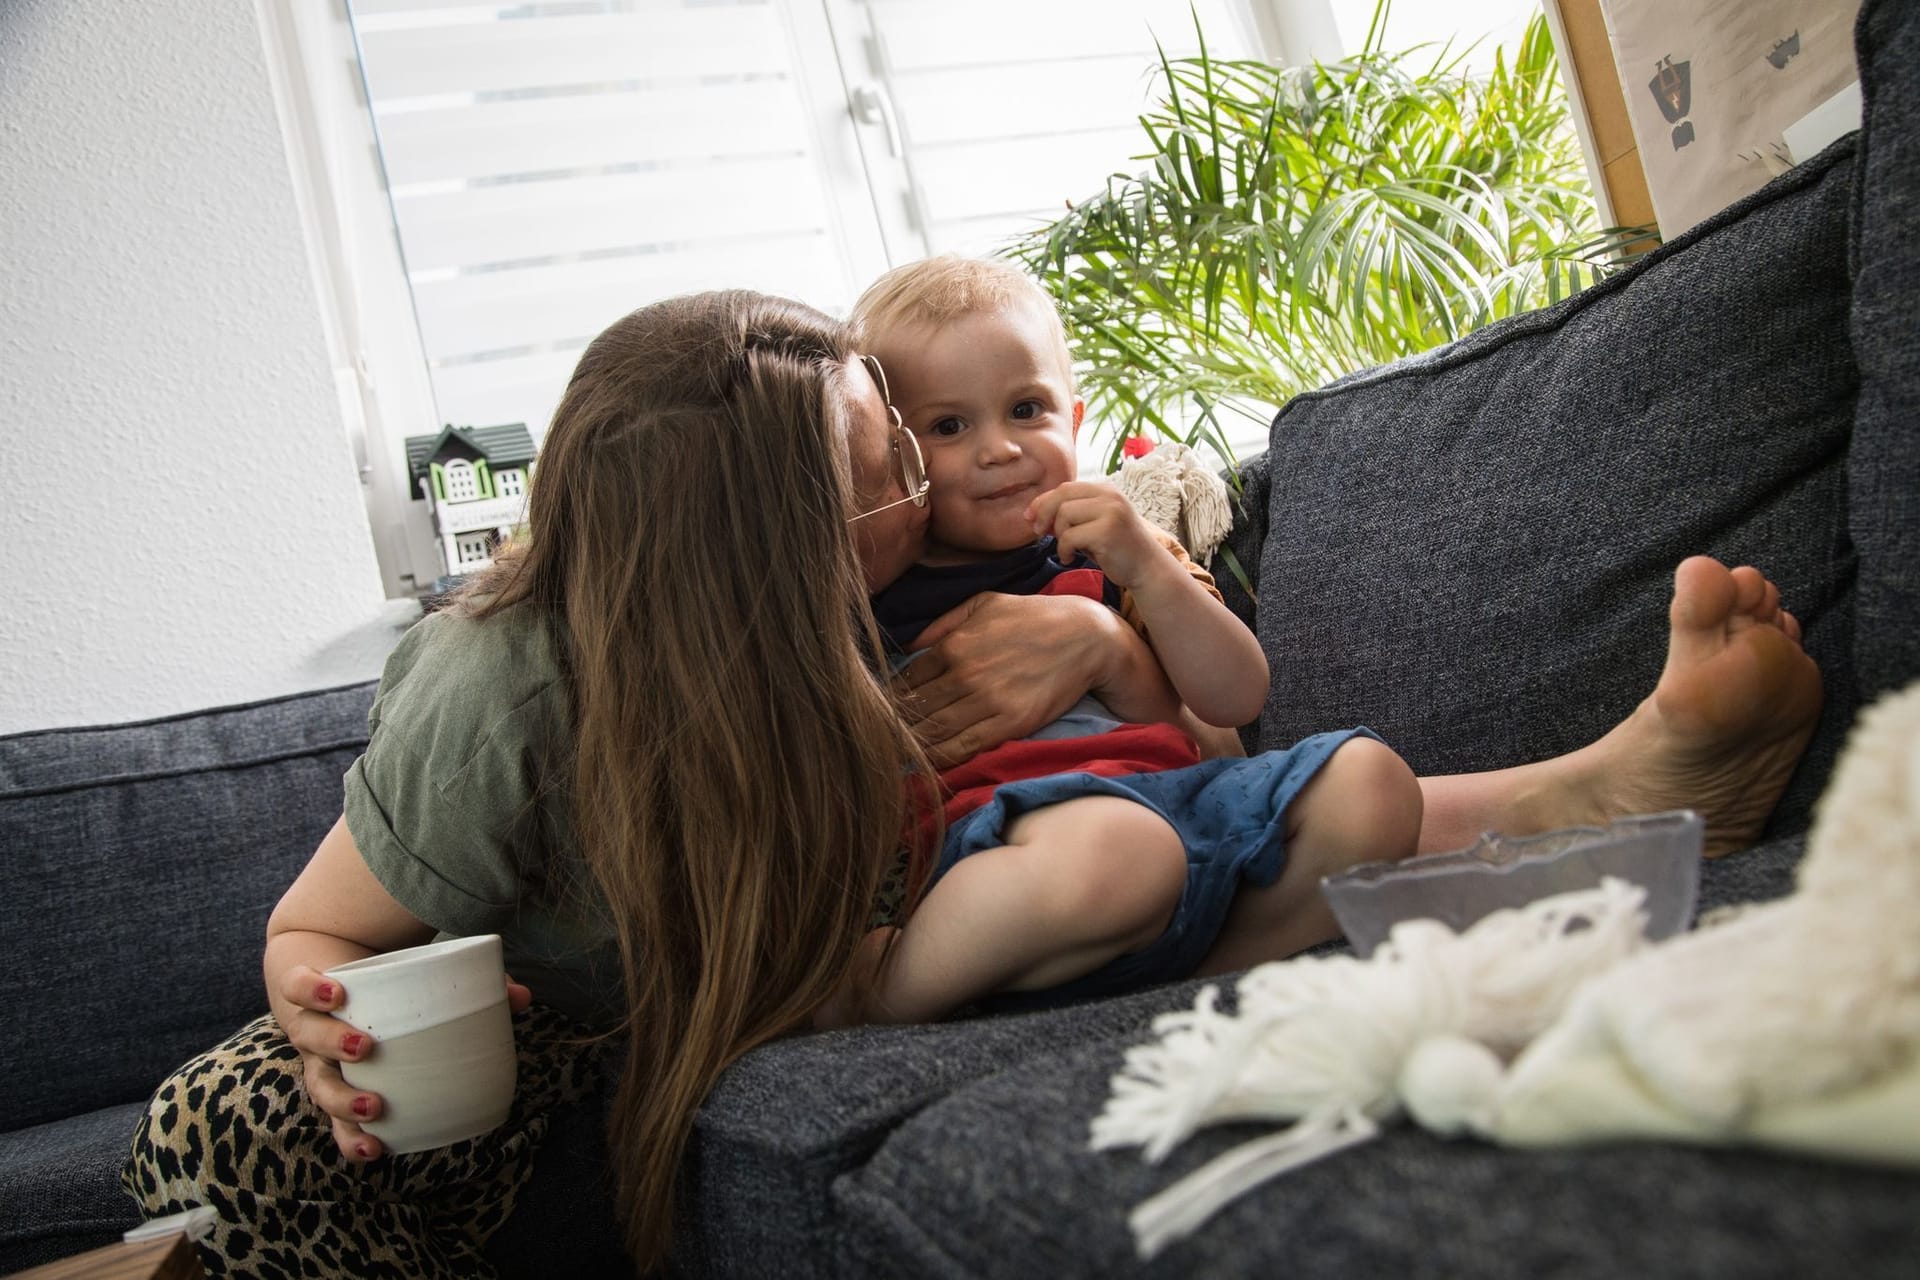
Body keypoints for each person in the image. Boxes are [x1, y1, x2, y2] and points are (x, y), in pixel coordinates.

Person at [123, 288, 1821, 1280]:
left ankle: (1617, 783)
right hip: (726, 1004)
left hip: (902, 914)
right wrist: (334, 1030)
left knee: (1306, 800)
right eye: (891, 473)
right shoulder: (504, 686)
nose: (930, 503)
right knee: (1119, 867)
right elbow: (316, 931)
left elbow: (1205, 751)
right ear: (762, 544)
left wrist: (1101, 633)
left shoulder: (852, 616)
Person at [816, 255, 1424, 1026]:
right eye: (949, 426)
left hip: (1178, 803)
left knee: (1370, 783)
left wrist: (1146, 566)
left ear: (1073, 419)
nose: (999, 448)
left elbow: (1237, 698)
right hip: (1011, 843)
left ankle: (1194, 976)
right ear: (893, 455)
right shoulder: (875, 595)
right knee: (1124, 851)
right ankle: (879, 989)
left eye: (1026, 409)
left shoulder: (1117, 551)